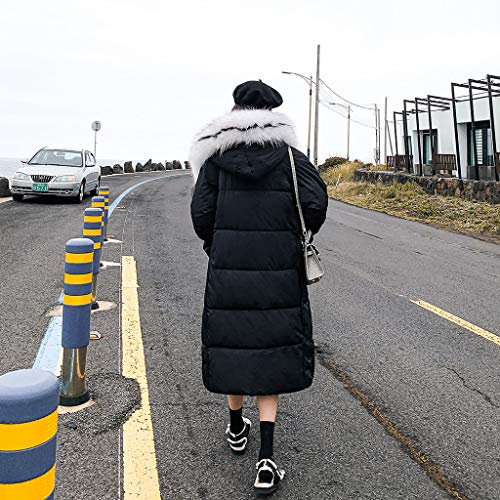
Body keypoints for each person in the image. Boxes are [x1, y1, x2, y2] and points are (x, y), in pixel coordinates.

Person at [190, 80, 328, 496]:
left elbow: (201, 214)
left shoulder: (216, 158)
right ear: (273, 113)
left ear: (235, 110)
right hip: (279, 268)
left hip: (229, 268)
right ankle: (266, 460)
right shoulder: (289, 157)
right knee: (269, 352)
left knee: (234, 344)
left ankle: (236, 430)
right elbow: (317, 203)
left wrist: (217, 245)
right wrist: (292, 236)